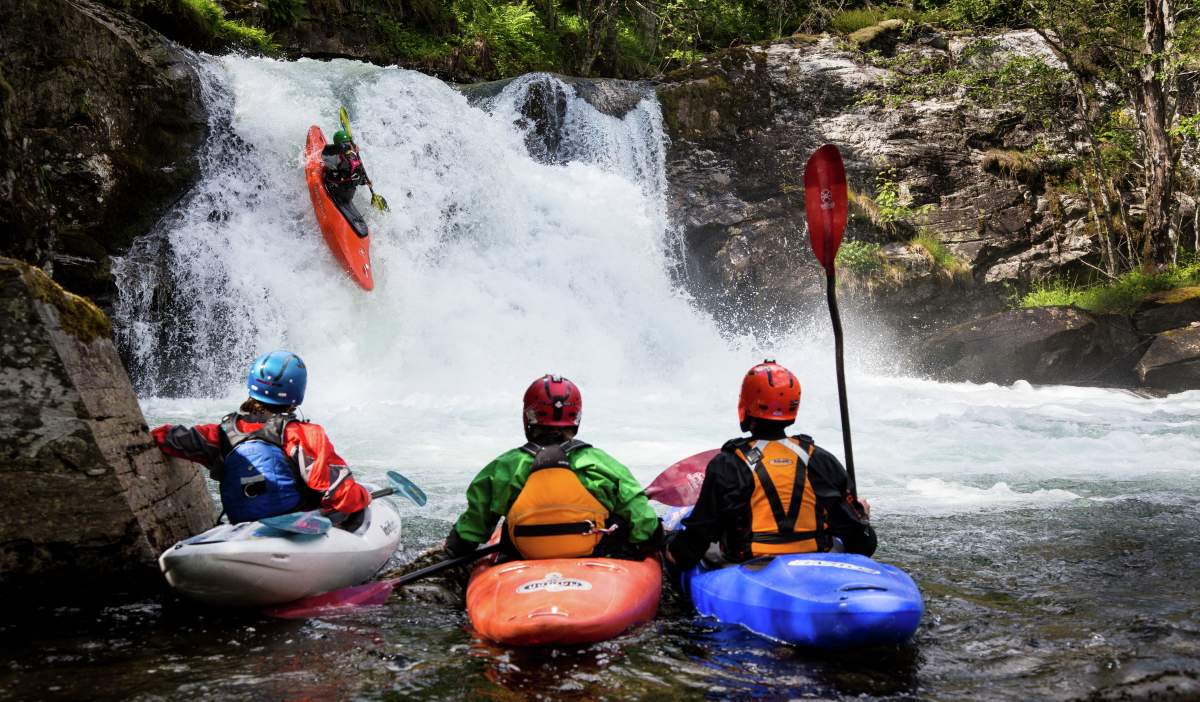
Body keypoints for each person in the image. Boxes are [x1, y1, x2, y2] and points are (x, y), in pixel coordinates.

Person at [666, 359, 876, 571]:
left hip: (746, 566)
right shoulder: (821, 460)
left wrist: (668, 548)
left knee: (690, 544)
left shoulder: (728, 464)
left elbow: (696, 540)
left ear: (746, 404)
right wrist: (862, 516)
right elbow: (863, 544)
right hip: (815, 560)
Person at [445, 374, 663, 561]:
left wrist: (454, 549)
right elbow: (640, 518)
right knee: (621, 520)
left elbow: (473, 528)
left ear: (528, 417)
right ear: (576, 418)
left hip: (524, 557)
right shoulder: (600, 463)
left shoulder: (505, 467)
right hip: (595, 557)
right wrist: (657, 538)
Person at [151, 350, 371, 526]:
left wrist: (152, 435)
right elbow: (340, 493)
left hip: (243, 526)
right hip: (298, 526)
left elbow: (170, 438)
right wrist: (363, 497)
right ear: (297, 394)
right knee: (352, 509)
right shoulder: (305, 435)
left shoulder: (221, 434)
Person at [321, 129, 369, 206]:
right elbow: (327, 150)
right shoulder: (334, 156)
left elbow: (356, 174)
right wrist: (347, 147)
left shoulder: (353, 157)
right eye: (345, 143)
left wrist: (364, 181)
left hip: (347, 195)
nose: (348, 145)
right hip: (334, 189)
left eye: (349, 143)